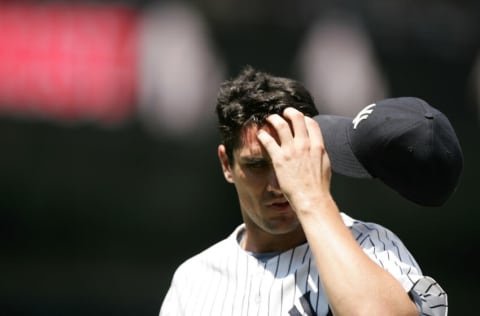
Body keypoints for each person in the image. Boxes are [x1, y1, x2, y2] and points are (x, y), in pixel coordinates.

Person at [159, 66, 451, 316]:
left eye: (289, 161)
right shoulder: (193, 280)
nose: (278, 184)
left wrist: (312, 198)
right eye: (258, 165)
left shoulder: (372, 245)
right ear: (226, 163)